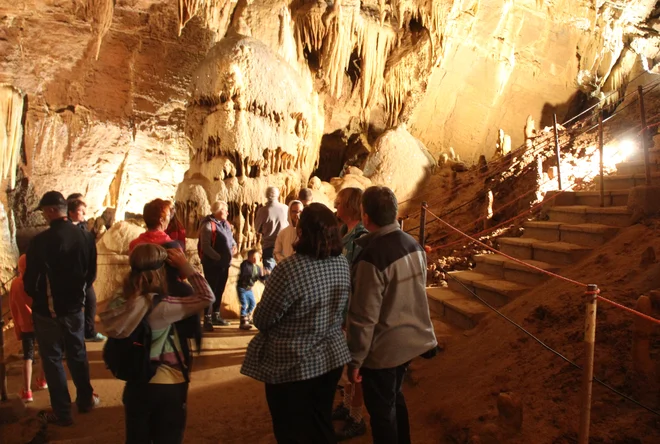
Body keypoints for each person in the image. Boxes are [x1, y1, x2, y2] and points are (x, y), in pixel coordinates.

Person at [241, 203, 351, 444]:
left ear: (301, 232)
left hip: (292, 363)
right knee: (321, 422)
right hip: (331, 357)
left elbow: (262, 319)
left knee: (290, 429)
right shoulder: (341, 263)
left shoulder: (289, 269)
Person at [346, 186, 438, 444]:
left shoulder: (372, 257)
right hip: (409, 344)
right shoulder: (414, 246)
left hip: (383, 351)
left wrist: (355, 360)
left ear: (365, 218)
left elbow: (364, 317)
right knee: (395, 400)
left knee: (383, 414)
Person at [102, 244, 214, 444]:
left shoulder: (119, 301)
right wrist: (185, 266)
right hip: (167, 384)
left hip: (136, 384)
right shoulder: (162, 307)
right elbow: (207, 297)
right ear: (160, 272)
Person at [24, 191, 99, 426]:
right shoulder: (86, 238)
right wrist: (78, 296)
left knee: (53, 359)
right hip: (75, 308)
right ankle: (85, 400)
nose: (45, 216)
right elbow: (91, 274)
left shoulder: (39, 242)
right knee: (77, 353)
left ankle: (63, 411)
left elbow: (31, 282)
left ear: (51, 211)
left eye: (45, 211)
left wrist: (38, 299)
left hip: (48, 311)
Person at [332, 187, 369, 440]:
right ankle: (347, 406)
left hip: (353, 312)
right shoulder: (346, 234)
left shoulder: (361, 238)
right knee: (346, 367)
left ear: (349, 205)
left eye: (339, 203)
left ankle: (358, 418)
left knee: (355, 368)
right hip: (342, 312)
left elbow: (358, 281)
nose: (336, 207)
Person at [9, 254, 48, 403]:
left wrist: (17, 328)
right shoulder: (39, 281)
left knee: (28, 356)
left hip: (25, 325)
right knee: (44, 351)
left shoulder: (15, 284)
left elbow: (13, 308)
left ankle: (27, 392)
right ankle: (42, 381)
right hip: (40, 322)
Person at [67, 198, 106, 342]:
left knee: (91, 301)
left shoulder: (83, 228)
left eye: (84, 211)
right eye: (80, 211)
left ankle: (88, 332)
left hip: (84, 275)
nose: (83, 214)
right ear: (70, 212)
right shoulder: (67, 231)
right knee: (75, 306)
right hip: (72, 275)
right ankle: (75, 335)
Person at [199, 200, 236, 330]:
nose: (227, 212)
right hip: (212, 264)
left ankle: (216, 315)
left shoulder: (225, 224)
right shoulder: (208, 225)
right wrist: (218, 257)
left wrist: (234, 246)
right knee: (210, 290)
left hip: (224, 264)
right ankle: (207, 318)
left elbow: (231, 238)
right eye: (225, 210)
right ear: (219, 211)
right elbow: (206, 246)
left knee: (219, 289)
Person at [255, 187, 288, 271]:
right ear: (278, 195)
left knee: (269, 275)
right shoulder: (285, 208)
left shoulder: (262, 211)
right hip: (284, 245)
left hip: (269, 246)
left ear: (266, 195)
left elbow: (257, 229)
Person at [236, 249, 268, 330]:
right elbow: (246, 272)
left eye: (257, 257)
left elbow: (261, 278)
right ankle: (243, 322)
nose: (255, 259)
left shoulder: (257, 268)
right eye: (253, 257)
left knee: (253, 303)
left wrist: (265, 275)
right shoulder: (245, 264)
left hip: (249, 289)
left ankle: (248, 316)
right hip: (242, 288)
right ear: (249, 258)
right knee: (244, 304)